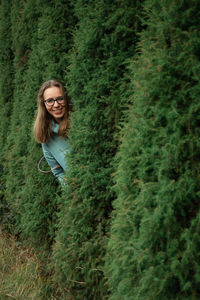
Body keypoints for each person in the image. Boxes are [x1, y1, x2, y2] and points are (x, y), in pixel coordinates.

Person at [34, 79, 72, 183]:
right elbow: (58, 172)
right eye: (50, 101)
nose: (56, 105)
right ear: (44, 104)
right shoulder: (46, 138)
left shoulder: (79, 121)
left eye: (60, 98)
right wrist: (72, 187)